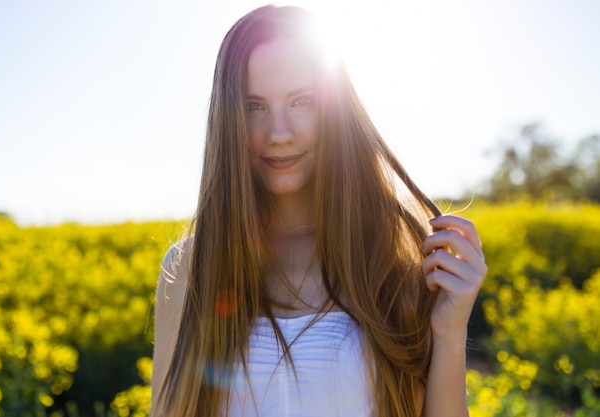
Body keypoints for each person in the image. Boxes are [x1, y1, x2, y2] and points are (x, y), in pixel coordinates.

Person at [151, 5, 487, 417]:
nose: (278, 133)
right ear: (228, 118)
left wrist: (450, 335)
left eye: (301, 101)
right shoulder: (189, 266)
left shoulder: (398, 260)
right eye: (254, 106)